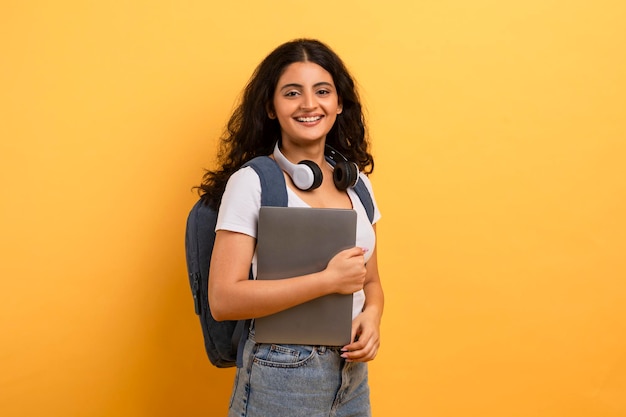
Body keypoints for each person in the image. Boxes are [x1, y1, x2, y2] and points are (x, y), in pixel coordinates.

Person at [199, 38, 383, 417]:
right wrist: (327, 281)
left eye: (322, 91)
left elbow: (371, 283)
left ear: (339, 103)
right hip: (282, 372)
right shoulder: (252, 183)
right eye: (292, 93)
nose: (309, 104)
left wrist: (373, 317)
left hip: (351, 375)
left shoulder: (357, 184)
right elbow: (222, 299)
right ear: (270, 107)